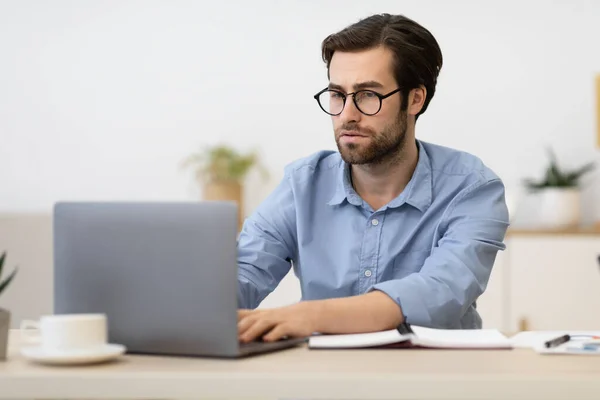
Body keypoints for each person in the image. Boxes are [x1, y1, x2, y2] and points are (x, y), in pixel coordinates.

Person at [236, 13, 509, 343]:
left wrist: (308, 315)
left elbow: (440, 292)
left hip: (435, 381)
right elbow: (243, 273)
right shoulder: (301, 185)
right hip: (323, 379)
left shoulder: (472, 189)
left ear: (415, 99)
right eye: (337, 94)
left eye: (368, 95)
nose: (347, 115)